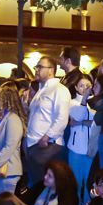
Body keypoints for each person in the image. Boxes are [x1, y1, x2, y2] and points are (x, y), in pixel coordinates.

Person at [24, 56, 70, 185]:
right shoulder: (41, 90)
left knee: (45, 187)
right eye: (36, 67)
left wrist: (47, 137)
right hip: (34, 145)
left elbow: (61, 118)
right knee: (36, 187)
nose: (36, 70)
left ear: (51, 70)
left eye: (40, 67)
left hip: (47, 146)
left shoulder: (60, 90)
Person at [66, 77, 99, 202]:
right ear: (75, 88)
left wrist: (82, 122)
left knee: (89, 182)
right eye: (81, 85)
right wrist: (84, 99)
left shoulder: (96, 102)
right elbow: (78, 115)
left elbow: (98, 122)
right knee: (76, 181)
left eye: (87, 85)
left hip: (91, 150)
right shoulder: (73, 102)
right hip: (76, 149)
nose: (85, 88)